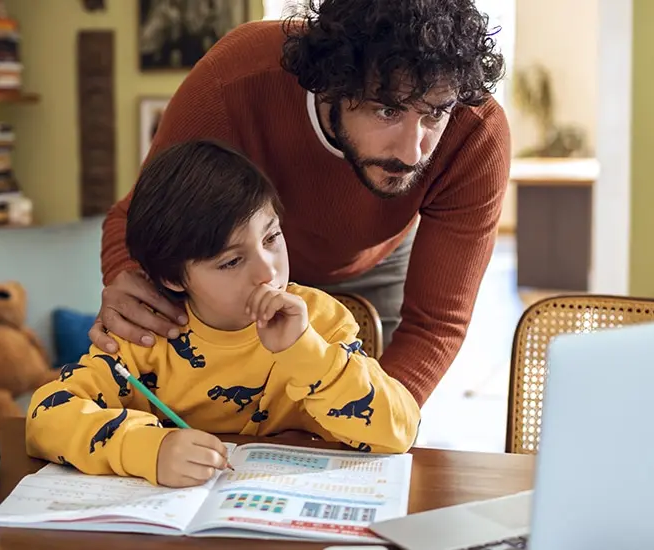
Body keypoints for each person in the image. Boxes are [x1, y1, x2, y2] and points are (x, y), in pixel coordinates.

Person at [90, 0, 511, 407]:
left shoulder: (476, 133)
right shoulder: (233, 80)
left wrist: (373, 425)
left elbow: (434, 326)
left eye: (435, 114)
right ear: (332, 82)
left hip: (375, 266)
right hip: (234, 270)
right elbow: (136, 218)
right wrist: (130, 278)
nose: (412, 153)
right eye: (387, 111)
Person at [27, 140, 421, 488]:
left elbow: (400, 431)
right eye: (232, 262)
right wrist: (147, 449)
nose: (267, 271)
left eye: (271, 237)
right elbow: (46, 416)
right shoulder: (144, 335)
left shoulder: (320, 320)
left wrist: (308, 353)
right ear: (172, 277)